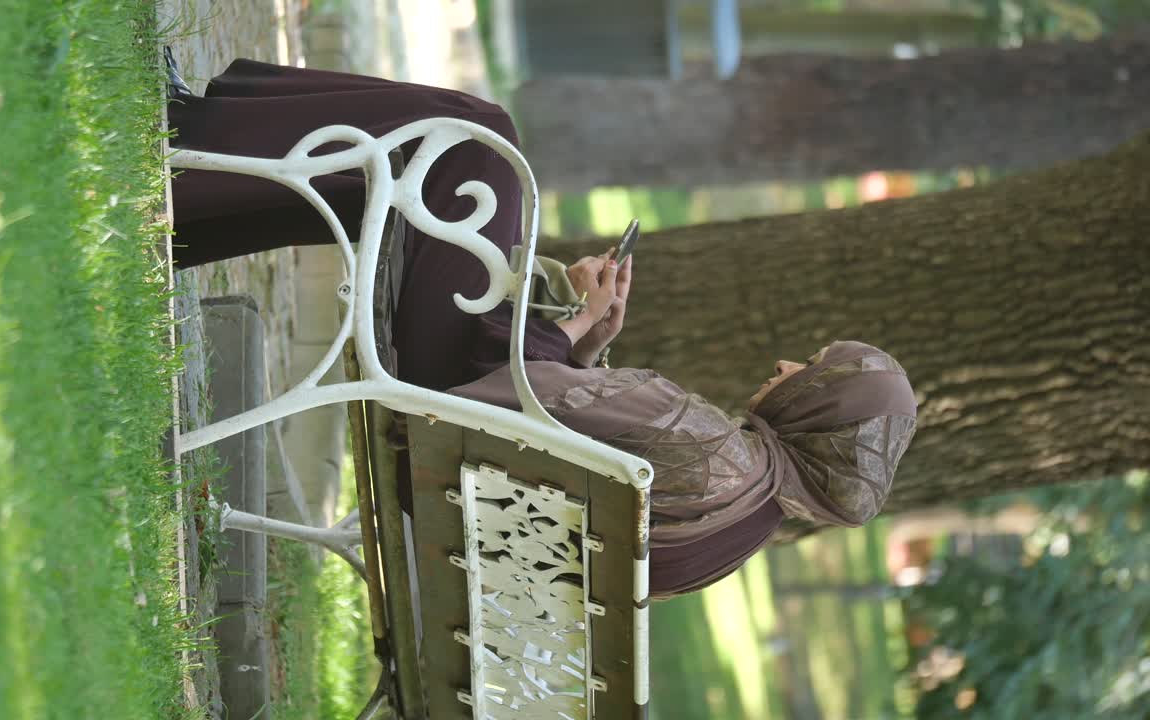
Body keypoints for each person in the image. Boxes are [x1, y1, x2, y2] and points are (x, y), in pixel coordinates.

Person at [168, 58, 919, 598]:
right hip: (436, 509)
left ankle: (196, 145)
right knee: (422, 181)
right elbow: (561, 453)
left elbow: (516, 394)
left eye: (812, 371)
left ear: (822, 411)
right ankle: (199, 188)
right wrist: (590, 342)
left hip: (431, 410)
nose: (788, 367)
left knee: (475, 142)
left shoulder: (713, 447)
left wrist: (577, 320)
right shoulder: (738, 533)